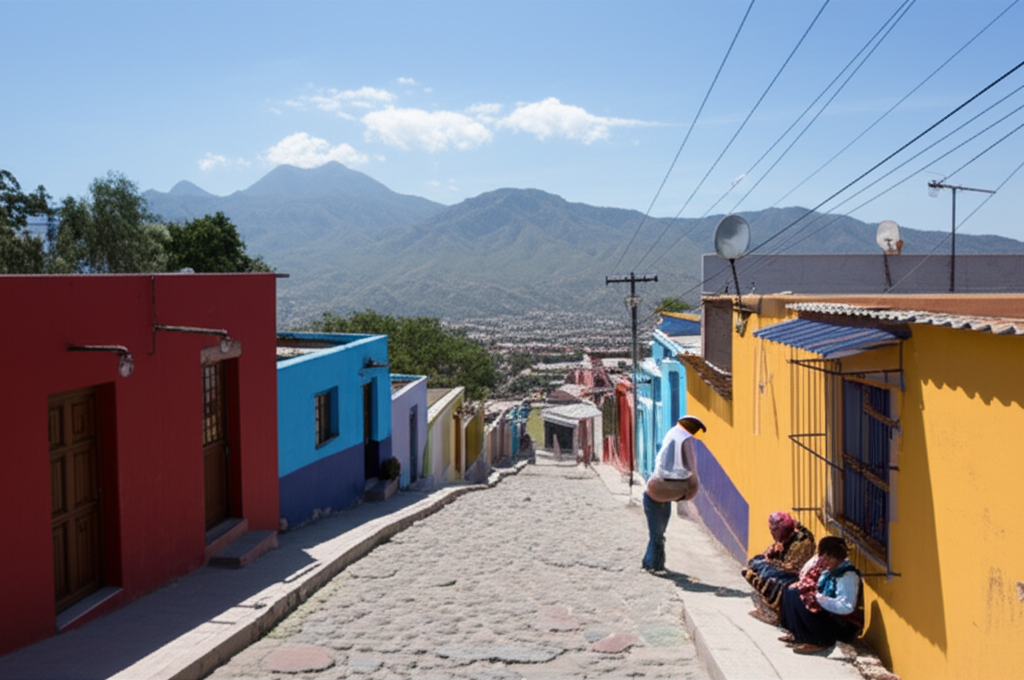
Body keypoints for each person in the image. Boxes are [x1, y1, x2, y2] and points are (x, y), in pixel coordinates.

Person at [642, 414, 705, 573]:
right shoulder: (683, 440)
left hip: (661, 493)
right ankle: (652, 565)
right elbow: (691, 469)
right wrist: (692, 481)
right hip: (654, 495)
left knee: (659, 534)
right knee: (657, 534)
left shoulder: (674, 436)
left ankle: (652, 563)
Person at [779, 536, 863, 654]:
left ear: (839, 558)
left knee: (805, 597)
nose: (826, 561)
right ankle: (798, 634)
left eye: (830, 558)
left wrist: (819, 599)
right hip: (830, 614)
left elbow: (847, 606)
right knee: (791, 590)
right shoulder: (828, 571)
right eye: (824, 557)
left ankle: (820, 641)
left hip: (844, 624)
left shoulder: (847, 576)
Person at [744, 512, 816, 622]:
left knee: (765, 573)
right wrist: (770, 554)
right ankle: (764, 609)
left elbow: (793, 567)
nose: (772, 533)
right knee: (755, 562)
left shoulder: (802, 542)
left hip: (792, 575)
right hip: (780, 568)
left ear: (782, 529)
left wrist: (771, 562)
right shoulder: (783, 539)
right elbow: (768, 554)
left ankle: (774, 613)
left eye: (774, 530)